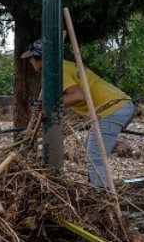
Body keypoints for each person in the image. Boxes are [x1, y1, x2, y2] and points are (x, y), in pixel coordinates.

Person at [21, 39, 135, 188]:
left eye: (31, 58)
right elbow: (70, 100)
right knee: (91, 148)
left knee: (95, 158)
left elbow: (78, 96)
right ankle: (99, 186)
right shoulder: (63, 66)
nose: (30, 62)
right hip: (120, 105)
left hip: (112, 108)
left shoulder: (57, 70)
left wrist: (48, 107)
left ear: (40, 58)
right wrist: (47, 107)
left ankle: (103, 198)